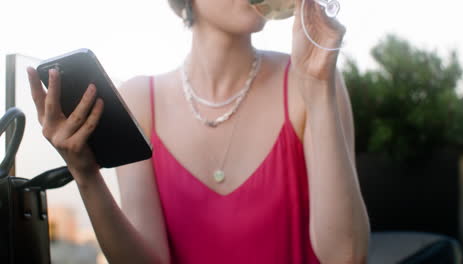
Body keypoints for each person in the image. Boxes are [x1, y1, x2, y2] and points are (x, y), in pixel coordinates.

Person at [27, 0, 370, 263]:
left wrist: (319, 88)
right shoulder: (140, 100)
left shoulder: (309, 81)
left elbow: (346, 256)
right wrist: (86, 175)